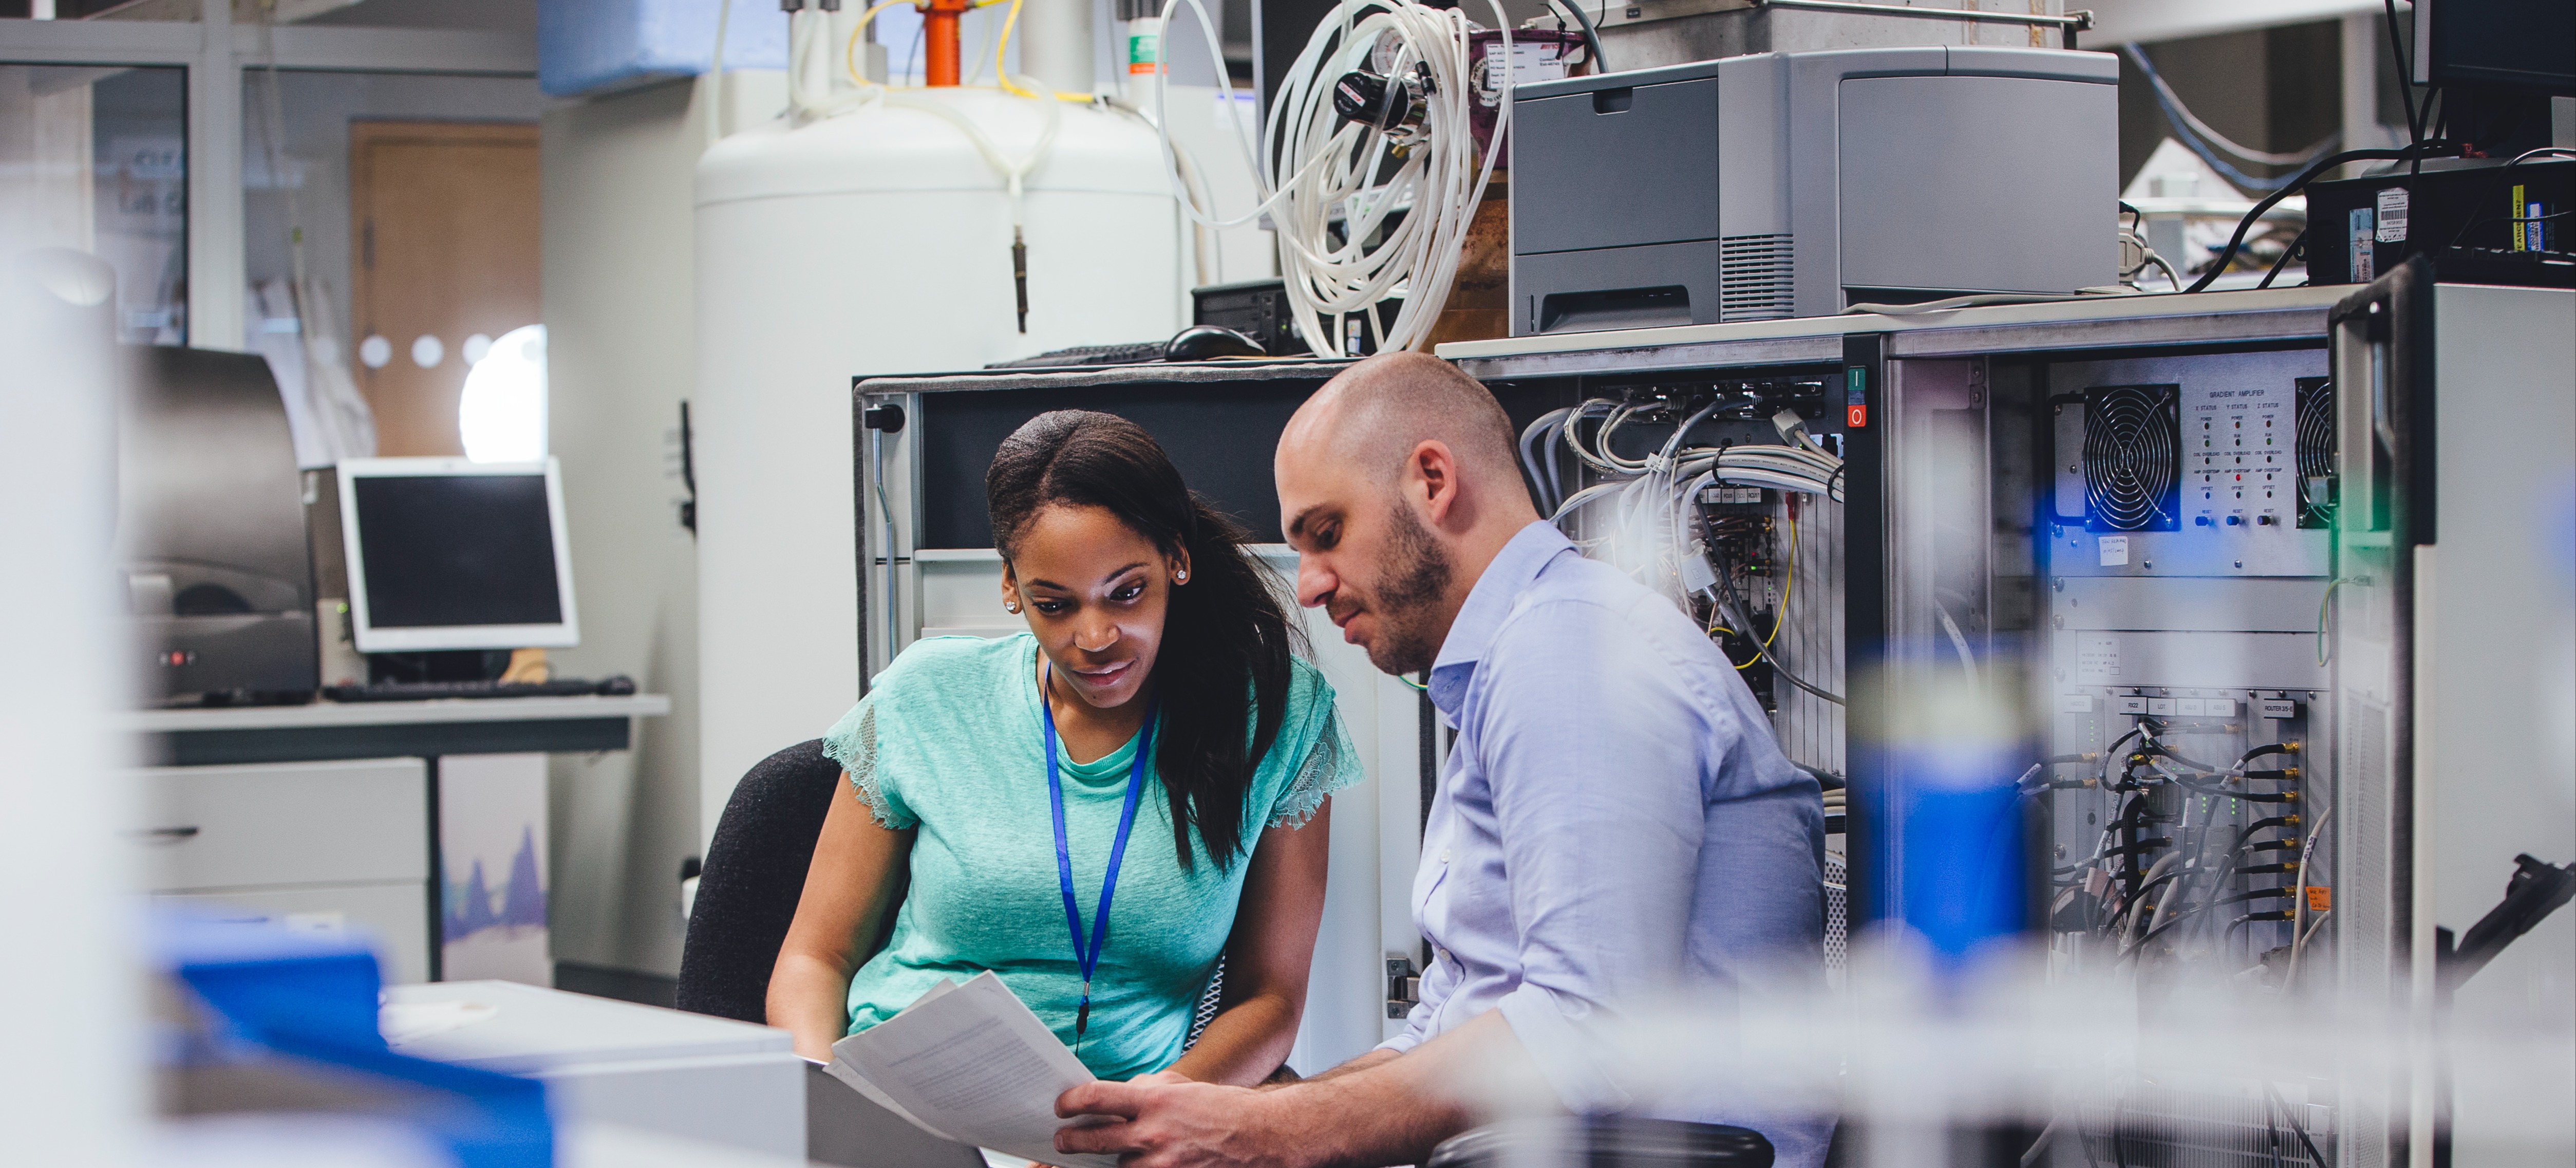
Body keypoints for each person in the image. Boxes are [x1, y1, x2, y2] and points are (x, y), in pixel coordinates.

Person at [1052, 351, 1829, 1167]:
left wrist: (1267, 1132)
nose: (1309, 586)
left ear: (1432, 479)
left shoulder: (1569, 654)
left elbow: (1591, 1027)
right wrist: (1249, 1109)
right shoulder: (1518, 663)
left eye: (1327, 534)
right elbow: (1448, 1025)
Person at [768, 410, 1366, 1086]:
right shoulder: (924, 696)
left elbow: (1270, 997)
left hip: (1128, 1125)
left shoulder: (1276, 717)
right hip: (907, 1105)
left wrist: (1153, 1116)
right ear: (1010, 586)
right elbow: (814, 959)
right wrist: (818, 1094)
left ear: (1177, 558)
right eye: (1055, 604)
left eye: (1127, 592)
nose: (1095, 635)